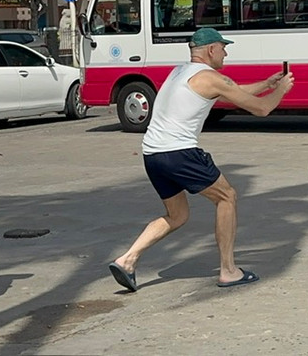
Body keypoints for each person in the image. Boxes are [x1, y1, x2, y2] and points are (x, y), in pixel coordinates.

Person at [109, 27, 294, 292]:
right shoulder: (210, 77)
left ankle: (127, 259)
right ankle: (229, 271)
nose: (226, 53)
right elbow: (262, 108)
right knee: (226, 197)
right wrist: (282, 91)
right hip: (179, 153)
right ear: (211, 50)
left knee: (178, 214)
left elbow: (234, 91)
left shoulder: (180, 72)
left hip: (153, 154)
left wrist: (267, 84)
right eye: (223, 47)